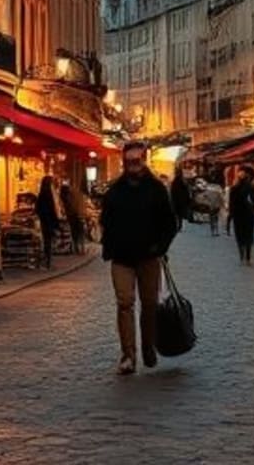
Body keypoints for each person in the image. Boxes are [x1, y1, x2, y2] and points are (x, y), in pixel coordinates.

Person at [102, 141, 178, 375]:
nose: (132, 166)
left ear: (143, 160)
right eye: (128, 162)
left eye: (136, 161)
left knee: (149, 305)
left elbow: (169, 223)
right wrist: (109, 246)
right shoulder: (114, 191)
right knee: (124, 304)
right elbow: (106, 220)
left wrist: (160, 247)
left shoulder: (156, 189)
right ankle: (128, 356)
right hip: (122, 258)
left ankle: (147, 347)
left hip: (148, 257)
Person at [228, 166, 254, 265]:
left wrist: (230, 216)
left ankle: (242, 255)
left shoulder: (234, 189)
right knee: (248, 235)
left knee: (240, 235)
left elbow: (231, 204)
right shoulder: (253, 188)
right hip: (249, 215)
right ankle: (248, 257)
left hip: (238, 215)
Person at [34, 176, 61, 269]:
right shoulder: (50, 195)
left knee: (47, 241)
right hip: (49, 221)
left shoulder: (41, 194)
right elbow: (53, 209)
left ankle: (47, 261)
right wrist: (56, 222)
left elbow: (37, 208)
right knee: (48, 241)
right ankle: (48, 261)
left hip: (44, 221)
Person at [59, 181, 86, 255]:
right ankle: (82, 248)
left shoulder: (69, 194)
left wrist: (66, 212)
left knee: (75, 232)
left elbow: (70, 205)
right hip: (80, 214)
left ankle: (77, 248)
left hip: (74, 215)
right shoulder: (78, 193)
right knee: (80, 232)